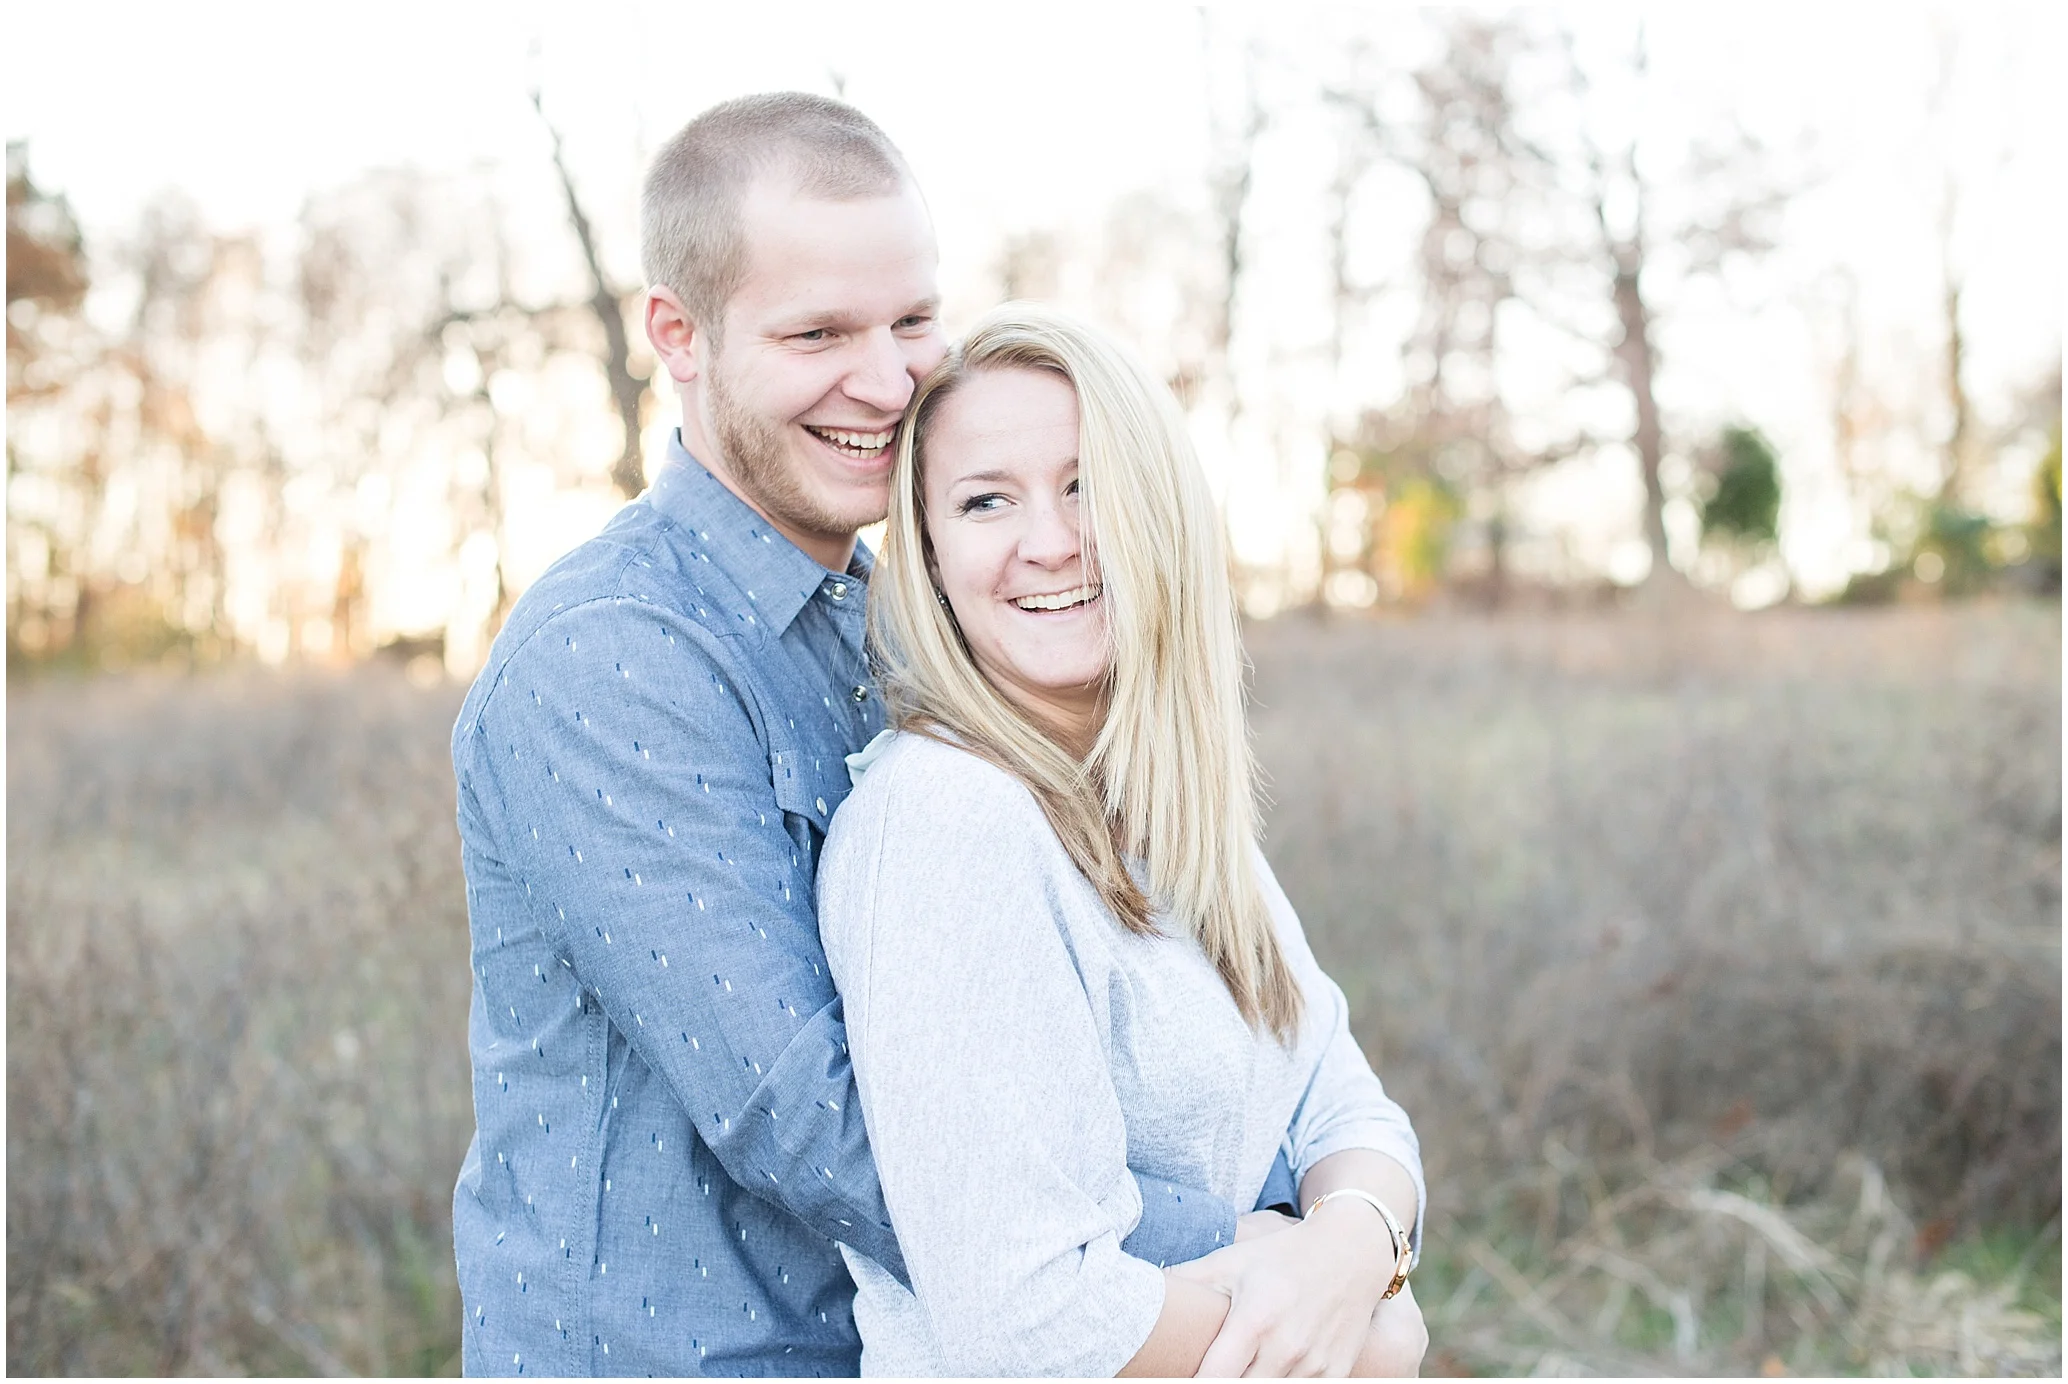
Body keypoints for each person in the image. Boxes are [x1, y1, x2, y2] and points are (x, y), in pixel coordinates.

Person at [450, 92, 1424, 1375]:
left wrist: (1350, 1242)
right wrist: (1275, 1260)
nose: (887, 378)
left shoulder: (912, 627)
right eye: (817, 333)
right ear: (678, 336)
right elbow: (811, 1116)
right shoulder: (611, 657)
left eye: (912, 320)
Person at [817, 304, 1430, 1376]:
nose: (1051, 541)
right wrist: (1360, 1335)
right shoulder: (949, 822)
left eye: (1085, 483)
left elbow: (1347, 1105)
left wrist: (1355, 1248)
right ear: (929, 553)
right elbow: (1030, 1317)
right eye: (985, 499)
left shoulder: (1163, 806)